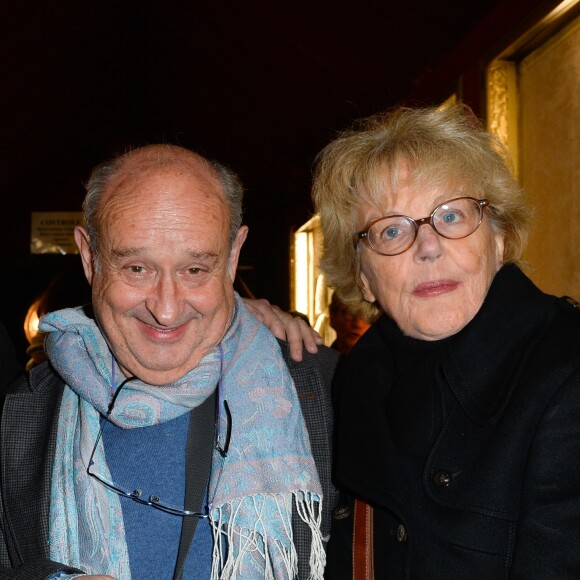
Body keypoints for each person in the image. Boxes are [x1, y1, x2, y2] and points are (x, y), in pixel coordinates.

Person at [0, 144, 339, 579]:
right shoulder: (20, 415)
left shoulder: (325, 396)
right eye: (137, 268)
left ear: (233, 258)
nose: (165, 309)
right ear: (89, 258)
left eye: (195, 270)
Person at [311, 103, 580, 578]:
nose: (428, 246)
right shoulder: (352, 383)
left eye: (451, 216)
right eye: (392, 229)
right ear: (363, 277)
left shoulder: (566, 374)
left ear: (498, 239)